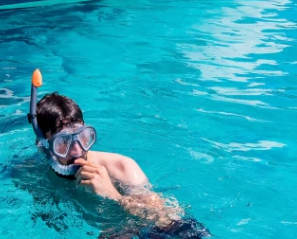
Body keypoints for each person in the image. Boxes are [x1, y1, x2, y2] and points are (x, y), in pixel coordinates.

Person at [27, 70, 209, 238]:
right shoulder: (31, 173)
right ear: (43, 143)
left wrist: (112, 195)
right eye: (63, 142)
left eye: (83, 137)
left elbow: (164, 219)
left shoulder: (123, 168)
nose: (78, 150)